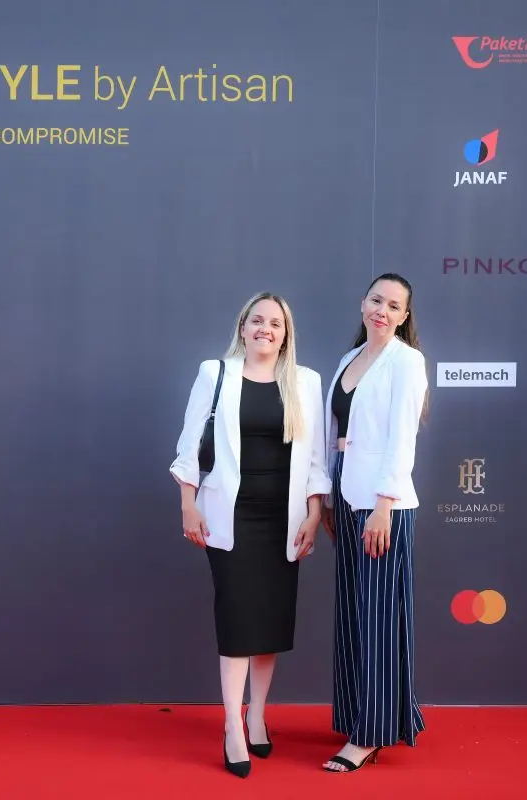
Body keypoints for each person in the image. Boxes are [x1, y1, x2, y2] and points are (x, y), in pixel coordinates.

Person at [169, 292, 331, 779]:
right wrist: (188, 505)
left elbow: (317, 460)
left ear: (286, 334)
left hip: (284, 521)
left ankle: (257, 714)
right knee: (239, 622)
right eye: (257, 320)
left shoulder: (305, 381)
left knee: (269, 625)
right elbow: (189, 446)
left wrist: (313, 514)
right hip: (230, 518)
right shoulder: (215, 373)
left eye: (276, 323)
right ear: (242, 327)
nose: (266, 329)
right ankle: (232, 726)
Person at [320, 272, 430, 774]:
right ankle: (354, 716)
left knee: (380, 619)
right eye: (376, 300)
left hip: (382, 503)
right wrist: (326, 499)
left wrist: (384, 505)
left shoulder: (407, 362)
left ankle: (371, 733)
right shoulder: (348, 359)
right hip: (345, 493)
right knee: (351, 614)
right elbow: (334, 433)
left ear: (404, 317)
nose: (381, 311)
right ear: (362, 303)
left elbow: (402, 439)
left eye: (393, 306)